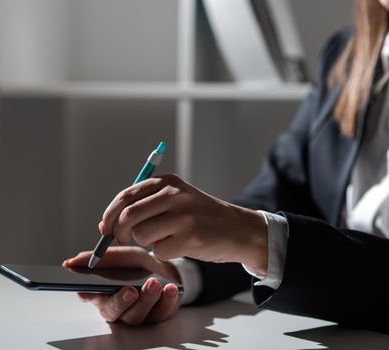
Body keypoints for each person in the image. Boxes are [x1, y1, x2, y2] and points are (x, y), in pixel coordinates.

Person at [63, 0, 389, 333]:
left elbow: (266, 230)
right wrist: (178, 271)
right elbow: (285, 192)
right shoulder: (346, 56)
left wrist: (255, 237)